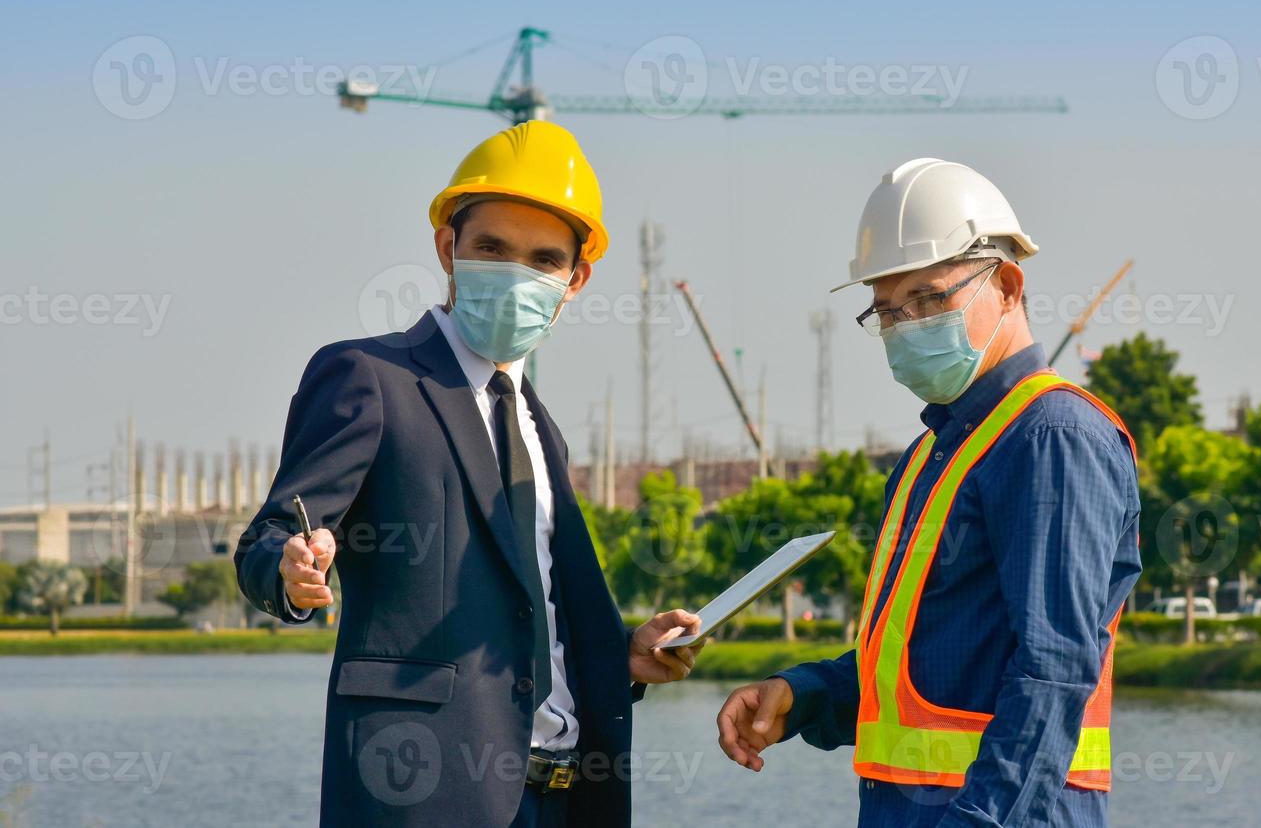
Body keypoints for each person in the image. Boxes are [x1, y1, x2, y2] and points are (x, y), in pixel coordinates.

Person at [236, 120, 703, 828]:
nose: (516, 272)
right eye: (492, 248)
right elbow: (268, 535)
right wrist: (291, 569)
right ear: (446, 247)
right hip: (423, 794)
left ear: (575, 280)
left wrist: (621, 657)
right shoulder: (369, 377)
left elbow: (533, 613)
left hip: (564, 795)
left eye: (543, 259)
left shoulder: (541, 430)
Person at [716, 158, 1142, 826]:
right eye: (887, 310)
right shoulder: (933, 455)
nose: (906, 324)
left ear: (1006, 286)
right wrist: (800, 694)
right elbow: (920, 672)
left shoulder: (1052, 438)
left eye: (929, 299)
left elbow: (1053, 671)